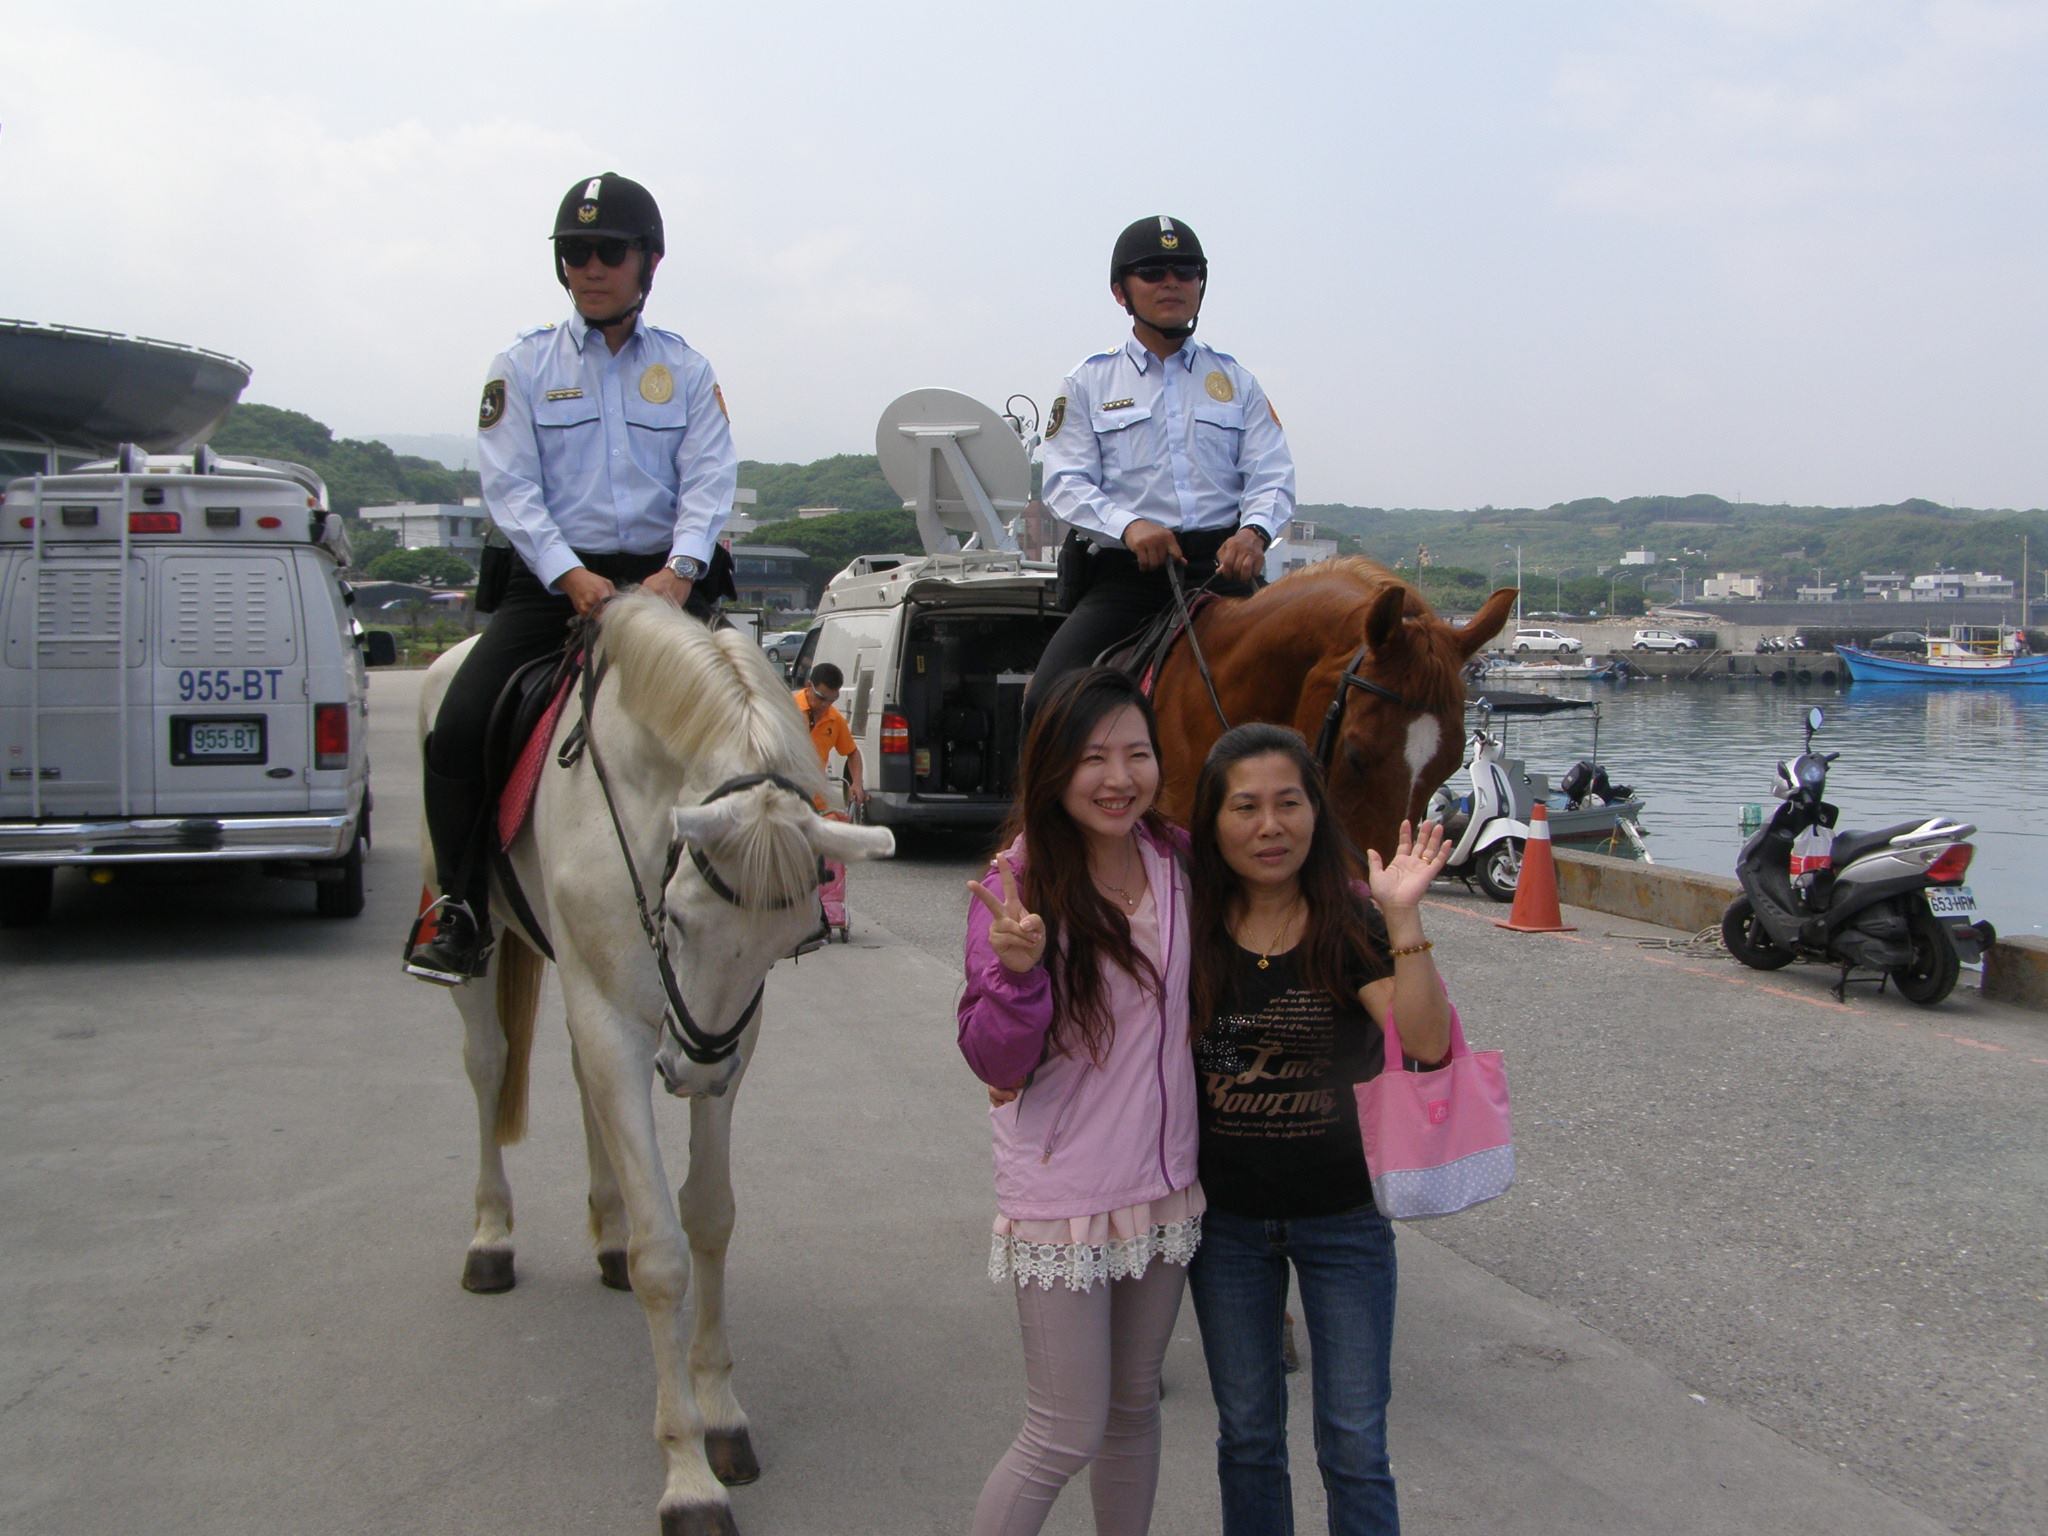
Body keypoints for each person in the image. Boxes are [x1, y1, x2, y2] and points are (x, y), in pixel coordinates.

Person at [406, 172, 738, 985]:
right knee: (458, 729)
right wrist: (571, 575)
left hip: (666, 588)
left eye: (608, 251)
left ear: (648, 262)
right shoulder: (520, 365)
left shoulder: (688, 371)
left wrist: (680, 572)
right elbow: (511, 487)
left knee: (756, 727)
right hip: (553, 589)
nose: (590, 266)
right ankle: (459, 907)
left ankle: (773, 893)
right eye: (575, 252)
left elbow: (708, 480)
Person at [1182, 723, 1452, 1536]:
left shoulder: (1349, 922)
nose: (1270, 827)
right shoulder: (1191, 926)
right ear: (1214, 822)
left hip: (1345, 1219)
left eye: (1288, 803)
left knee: (1354, 1443)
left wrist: (1403, 920)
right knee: (1250, 1437)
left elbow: (1428, 1044)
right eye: (1247, 807)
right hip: (1223, 1224)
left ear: (1316, 811)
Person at [958, 667, 1203, 1536]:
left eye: (1137, 754)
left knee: (1135, 1405)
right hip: (1063, 1196)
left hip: (1162, 1184)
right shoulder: (1020, 885)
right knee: (1063, 1431)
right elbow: (993, 1060)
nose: (1118, 777)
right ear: (1053, 770)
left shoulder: (1174, 860)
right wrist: (1018, 978)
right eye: (1094, 756)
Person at [1027, 215, 1297, 721]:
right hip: (1129, 580)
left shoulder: (1237, 381)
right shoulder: (1088, 382)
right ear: (1120, 291)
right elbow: (1065, 483)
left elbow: (1272, 472)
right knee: (1046, 700)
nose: (1171, 282)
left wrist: (1254, 532)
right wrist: (1129, 526)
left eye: (1185, 270)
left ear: (1200, 283)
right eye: (1152, 272)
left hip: (1224, 572)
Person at [791, 661, 866, 810]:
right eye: (821, 698)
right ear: (809, 685)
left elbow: (852, 753)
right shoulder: (788, 708)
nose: (825, 704)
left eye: (832, 700)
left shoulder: (835, 719)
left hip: (815, 803)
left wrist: (856, 783)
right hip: (785, 798)